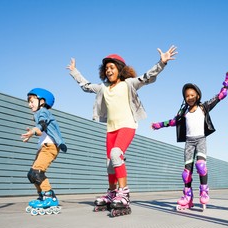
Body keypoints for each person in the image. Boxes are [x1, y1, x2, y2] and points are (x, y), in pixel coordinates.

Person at [67, 46, 178, 217]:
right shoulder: (103, 88)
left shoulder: (128, 84)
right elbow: (86, 86)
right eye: (106, 68)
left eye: (112, 67)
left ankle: (124, 193)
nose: (109, 70)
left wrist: (161, 63)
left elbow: (148, 77)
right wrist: (74, 71)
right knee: (109, 163)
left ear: (120, 69)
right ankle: (112, 193)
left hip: (127, 125)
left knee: (116, 154)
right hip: (111, 129)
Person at [151, 71, 228, 211]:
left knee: (201, 166)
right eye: (187, 95)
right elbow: (173, 122)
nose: (189, 97)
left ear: (198, 96)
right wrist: (159, 125)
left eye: (192, 95)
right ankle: (188, 197)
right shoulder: (184, 112)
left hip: (200, 140)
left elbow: (221, 96)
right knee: (186, 173)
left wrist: (227, 81)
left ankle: (204, 191)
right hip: (189, 142)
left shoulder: (204, 107)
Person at [22, 88, 67, 216]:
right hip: (43, 147)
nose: (29, 104)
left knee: (37, 172)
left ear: (42, 101)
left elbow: (41, 124)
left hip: (50, 147)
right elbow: (42, 130)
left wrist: (33, 131)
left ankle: (49, 197)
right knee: (32, 174)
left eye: (31, 101)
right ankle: (42, 196)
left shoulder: (43, 112)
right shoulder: (39, 113)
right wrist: (32, 133)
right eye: (28, 102)